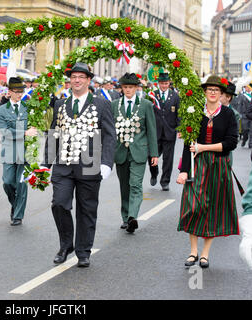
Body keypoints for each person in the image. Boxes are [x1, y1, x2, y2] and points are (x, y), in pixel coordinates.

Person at [44, 62, 116, 267]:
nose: (76, 80)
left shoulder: (101, 104)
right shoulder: (60, 104)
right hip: (64, 164)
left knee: (86, 209)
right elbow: (53, 134)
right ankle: (66, 244)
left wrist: (106, 163)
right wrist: (45, 164)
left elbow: (110, 135)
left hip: (90, 163)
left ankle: (83, 251)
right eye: (73, 77)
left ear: (88, 80)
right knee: (59, 203)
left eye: (81, 77)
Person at [176, 75, 239, 269]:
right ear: (205, 92)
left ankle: (204, 254)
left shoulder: (228, 115)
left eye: (216, 90)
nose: (212, 93)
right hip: (197, 165)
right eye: (209, 89)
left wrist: (204, 147)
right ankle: (193, 251)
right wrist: (184, 170)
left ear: (222, 94)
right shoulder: (194, 114)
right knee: (193, 206)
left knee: (212, 210)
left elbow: (231, 143)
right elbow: (188, 143)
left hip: (219, 166)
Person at [112, 73, 158, 233]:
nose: (128, 90)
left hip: (139, 151)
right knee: (124, 186)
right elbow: (111, 131)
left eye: (131, 87)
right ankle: (125, 217)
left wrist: (154, 154)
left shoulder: (146, 105)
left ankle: (132, 217)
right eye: (125, 87)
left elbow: (152, 130)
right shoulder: (115, 104)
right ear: (122, 88)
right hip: (120, 151)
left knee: (135, 185)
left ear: (137, 88)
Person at [0, 77, 37, 226]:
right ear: (9, 92)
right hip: (9, 150)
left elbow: (35, 128)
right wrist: (25, 132)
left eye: (22, 91)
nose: (20, 94)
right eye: (17, 91)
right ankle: (15, 204)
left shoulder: (29, 108)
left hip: (25, 151)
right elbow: (4, 131)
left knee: (21, 183)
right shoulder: (1, 110)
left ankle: (18, 214)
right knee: (8, 182)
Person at [148, 72, 180, 191]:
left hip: (169, 132)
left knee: (168, 159)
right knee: (151, 155)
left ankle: (165, 181)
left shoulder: (175, 96)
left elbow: (179, 113)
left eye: (166, 83)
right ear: (158, 83)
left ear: (169, 83)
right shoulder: (152, 95)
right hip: (155, 132)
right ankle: (154, 173)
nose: (164, 86)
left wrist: (179, 128)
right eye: (162, 83)